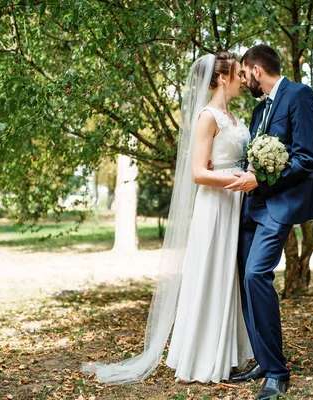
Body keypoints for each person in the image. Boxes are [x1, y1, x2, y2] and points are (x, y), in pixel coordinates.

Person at [82, 52, 253, 384]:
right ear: (222, 78)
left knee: (229, 278)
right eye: (238, 75)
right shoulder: (207, 117)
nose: (244, 80)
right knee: (210, 274)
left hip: (236, 204)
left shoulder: (233, 117)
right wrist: (238, 180)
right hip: (216, 205)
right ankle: (202, 357)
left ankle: (227, 352)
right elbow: (198, 173)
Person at [225, 44, 313, 400]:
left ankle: (277, 373)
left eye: (244, 72)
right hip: (252, 207)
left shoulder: (300, 95)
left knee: (257, 274)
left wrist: (262, 180)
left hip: (279, 205)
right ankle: (263, 358)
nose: (244, 80)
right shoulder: (258, 110)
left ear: (256, 70)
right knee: (244, 278)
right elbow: (254, 159)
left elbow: (305, 160)